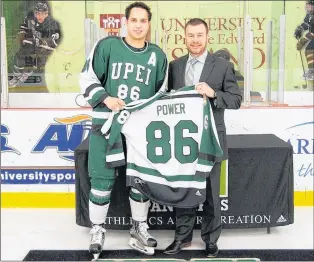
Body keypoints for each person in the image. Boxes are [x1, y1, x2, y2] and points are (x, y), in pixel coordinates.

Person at [78, 2, 167, 260]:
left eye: (143, 20)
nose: (139, 25)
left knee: (141, 179)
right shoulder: (107, 46)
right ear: (126, 22)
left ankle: (138, 227)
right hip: (107, 125)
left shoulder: (158, 56)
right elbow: (88, 78)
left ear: (149, 24)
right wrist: (106, 98)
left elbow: (162, 95)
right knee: (102, 180)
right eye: (134, 20)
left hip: (141, 129)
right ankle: (97, 229)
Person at [164, 18, 242, 257]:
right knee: (184, 191)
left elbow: (236, 100)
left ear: (207, 37)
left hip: (211, 141)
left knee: (210, 194)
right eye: (191, 35)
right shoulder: (175, 66)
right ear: (184, 37)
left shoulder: (222, 66)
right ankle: (182, 238)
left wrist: (213, 93)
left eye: (199, 35)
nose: (195, 40)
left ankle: (210, 240)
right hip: (182, 141)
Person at [9, 1, 62, 88]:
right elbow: (24, 28)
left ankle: (27, 73)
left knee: (38, 62)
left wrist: (46, 42)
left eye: (42, 14)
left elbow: (55, 39)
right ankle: (16, 78)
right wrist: (22, 35)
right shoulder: (30, 17)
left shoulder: (52, 23)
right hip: (31, 44)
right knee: (19, 57)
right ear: (34, 12)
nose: (39, 16)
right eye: (37, 13)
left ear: (47, 14)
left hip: (44, 49)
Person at [294, 0, 314, 81]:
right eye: (306, 4)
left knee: (310, 47)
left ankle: (312, 71)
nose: (306, 6)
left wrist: (304, 39)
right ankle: (312, 71)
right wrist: (300, 29)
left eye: (308, 5)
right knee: (309, 48)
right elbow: (306, 24)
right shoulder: (309, 15)